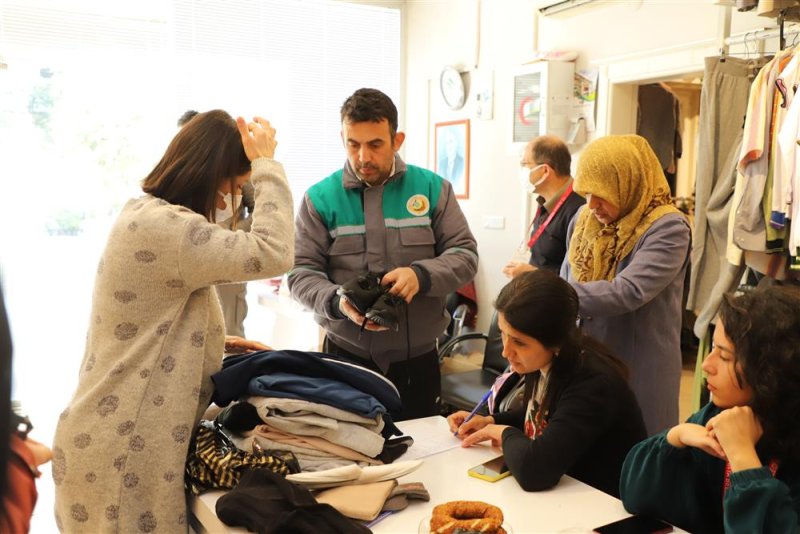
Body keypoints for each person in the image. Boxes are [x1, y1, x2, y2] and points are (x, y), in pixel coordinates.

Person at [52, 110, 294, 532]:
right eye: (237, 186)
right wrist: (268, 166)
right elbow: (274, 251)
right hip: (122, 453)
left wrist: (219, 344)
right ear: (214, 176)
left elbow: (153, 321)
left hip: (108, 442)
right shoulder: (172, 229)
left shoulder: (146, 216)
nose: (235, 200)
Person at [288, 88, 478, 420]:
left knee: (420, 458)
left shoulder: (434, 190)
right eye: (353, 144)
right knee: (350, 461)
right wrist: (337, 301)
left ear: (397, 139)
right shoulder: (319, 199)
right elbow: (300, 273)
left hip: (417, 364)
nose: (363, 157)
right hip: (346, 359)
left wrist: (420, 276)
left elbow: (465, 255)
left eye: (375, 144)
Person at [446, 270, 646, 497]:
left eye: (519, 343)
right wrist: (489, 421)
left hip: (606, 504)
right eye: (503, 334)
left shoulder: (593, 383)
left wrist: (502, 433)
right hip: (570, 492)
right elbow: (544, 414)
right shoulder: (548, 358)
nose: (505, 351)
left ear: (555, 340)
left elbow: (534, 472)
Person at [620, 286, 800, 533]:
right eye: (712, 348)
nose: (706, 365)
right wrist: (675, 438)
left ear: (770, 370)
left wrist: (742, 456)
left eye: (724, 357)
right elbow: (635, 498)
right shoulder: (717, 416)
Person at [560, 134, 691, 436]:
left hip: (637, 365)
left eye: (602, 193)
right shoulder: (583, 218)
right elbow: (568, 274)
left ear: (627, 182)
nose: (592, 204)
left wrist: (554, 296)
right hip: (584, 358)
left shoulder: (668, 227)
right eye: (586, 193)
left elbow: (629, 291)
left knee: (635, 452)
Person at [178, 110, 254, 338]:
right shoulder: (180, 179)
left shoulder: (234, 172)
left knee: (228, 332)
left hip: (229, 261)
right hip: (192, 262)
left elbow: (263, 207)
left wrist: (234, 235)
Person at [502, 135, 585, 277]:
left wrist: (533, 273)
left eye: (525, 164)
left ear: (545, 171)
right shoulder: (545, 202)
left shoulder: (579, 210)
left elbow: (579, 275)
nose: (522, 171)